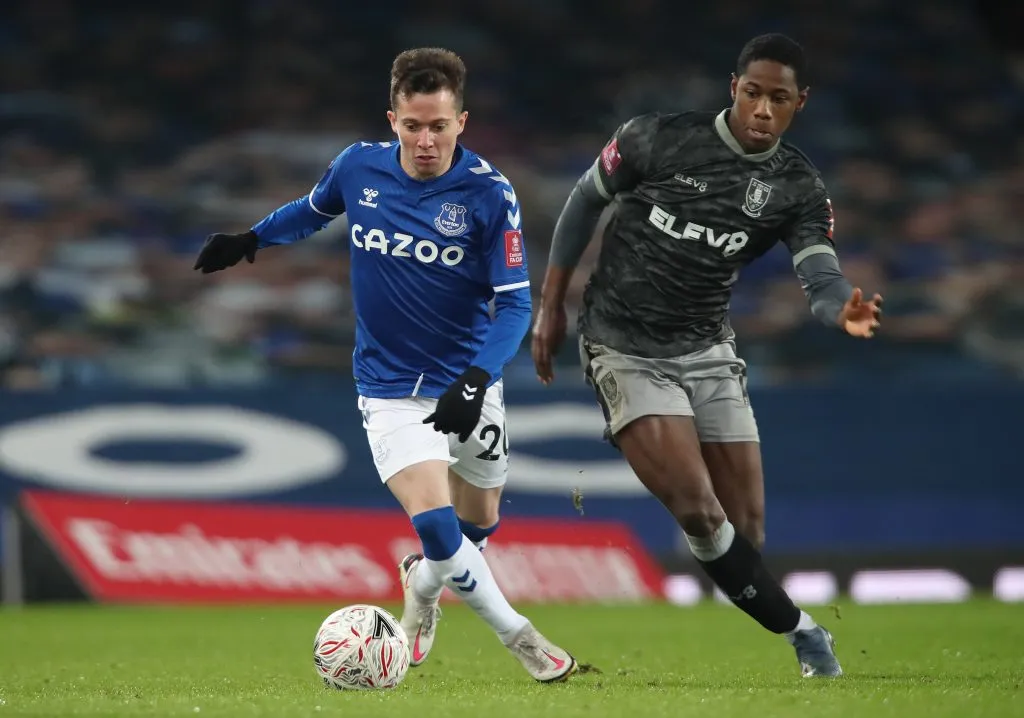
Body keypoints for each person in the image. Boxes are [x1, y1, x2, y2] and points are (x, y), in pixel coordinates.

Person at [193, 47, 577, 683]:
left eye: (439, 126)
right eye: (412, 125)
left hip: (466, 379)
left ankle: (421, 592)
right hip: (389, 388)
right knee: (435, 524)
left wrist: (477, 379)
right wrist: (251, 239)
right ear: (392, 119)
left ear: (462, 122)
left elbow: (514, 307)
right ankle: (524, 640)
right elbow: (310, 211)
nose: (425, 141)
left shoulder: (488, 194)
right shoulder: (358, 167)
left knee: (476, 525)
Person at [532, 33, 882, 678]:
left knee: (745, 532)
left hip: (708, 350)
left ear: (799, 103)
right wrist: (552, 306)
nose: (762, 111)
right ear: (734, 88)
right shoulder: (655, 139)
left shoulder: (796, 185)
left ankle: (781, 620)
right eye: (753, 93)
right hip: (624, 346)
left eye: (779, 99)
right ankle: (807, 636)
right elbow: (584, 202)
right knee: (697, 509)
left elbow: (821, 274)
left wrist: (841, 309)